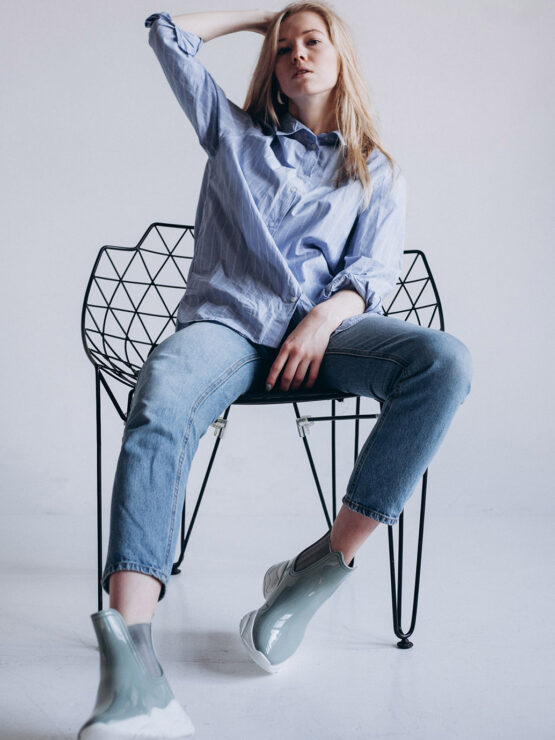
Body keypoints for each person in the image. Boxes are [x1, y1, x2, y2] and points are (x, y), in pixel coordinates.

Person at [77, 3, 472, 737]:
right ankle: (132, 662)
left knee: (443, 363)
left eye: (312, 41)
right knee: (161, 393)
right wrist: (268, 17)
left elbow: (371, 273)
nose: (296, 54)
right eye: (284, 48)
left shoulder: (374, 168)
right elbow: (168, 35)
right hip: (223, 331)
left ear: (341, 55)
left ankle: (317, 570)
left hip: (327, 340)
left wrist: (322, 319)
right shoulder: (231, 132)